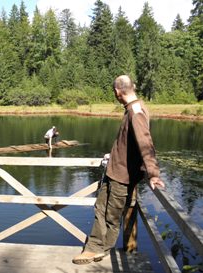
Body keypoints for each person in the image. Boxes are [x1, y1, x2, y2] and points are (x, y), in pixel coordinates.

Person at [72, 75, 165, 265]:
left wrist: (153, 173)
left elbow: (146, 143)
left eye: (114, 92)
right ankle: (94, 246)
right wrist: (113, 155)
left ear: (117, 92)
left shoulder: (136, 112)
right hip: (114, 171)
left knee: (112, 216)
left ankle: (99, 250)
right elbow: (128, 143)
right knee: (100, 208)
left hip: (122, 177)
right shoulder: (132, 109)